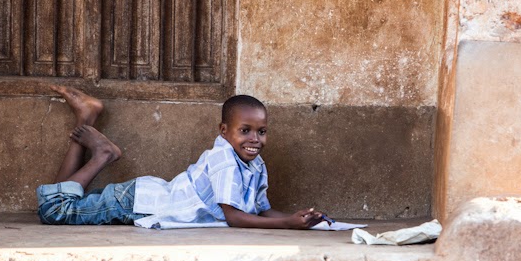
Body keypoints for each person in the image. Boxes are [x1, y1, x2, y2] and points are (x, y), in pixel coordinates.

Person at [36, 86, 326, 229]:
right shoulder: (224, 159)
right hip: (138, 204)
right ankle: (103, 154)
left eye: (261, 132)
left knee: (63, 201)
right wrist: (287, 224)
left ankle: (86, 117)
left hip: (142, 196)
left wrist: (296, 216)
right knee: (54, 211)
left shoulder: (254, 164)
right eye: (245, 131)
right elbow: (235, 217)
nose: (255, 139)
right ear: (224, 131)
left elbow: (260, 210)